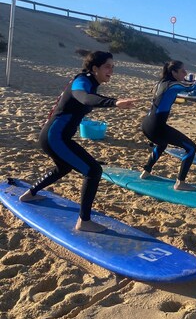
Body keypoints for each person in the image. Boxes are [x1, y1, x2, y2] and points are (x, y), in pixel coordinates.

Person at [19, 51, 137, 233]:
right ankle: (84, 221)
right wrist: (114, 102)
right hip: (54, 137)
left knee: (63, 167)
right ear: (94, 68)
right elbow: (84, 98)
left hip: (56, 136)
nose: (111, 70)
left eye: (113, 67)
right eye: (107, 66)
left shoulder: (90, 82)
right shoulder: (83, 81)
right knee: (93, 171)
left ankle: (29, 194)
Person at [140, 60, 196, 190]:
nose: (185, 73)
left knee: (162, 144)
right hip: (157, 127)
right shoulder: (173, 85)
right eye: (182, 71)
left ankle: (146, 171)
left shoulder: (161, 83)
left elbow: (185, 86)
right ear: (173, 72)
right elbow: (191, 87)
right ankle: (180, 183)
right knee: (191, 148)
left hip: (147, 124)